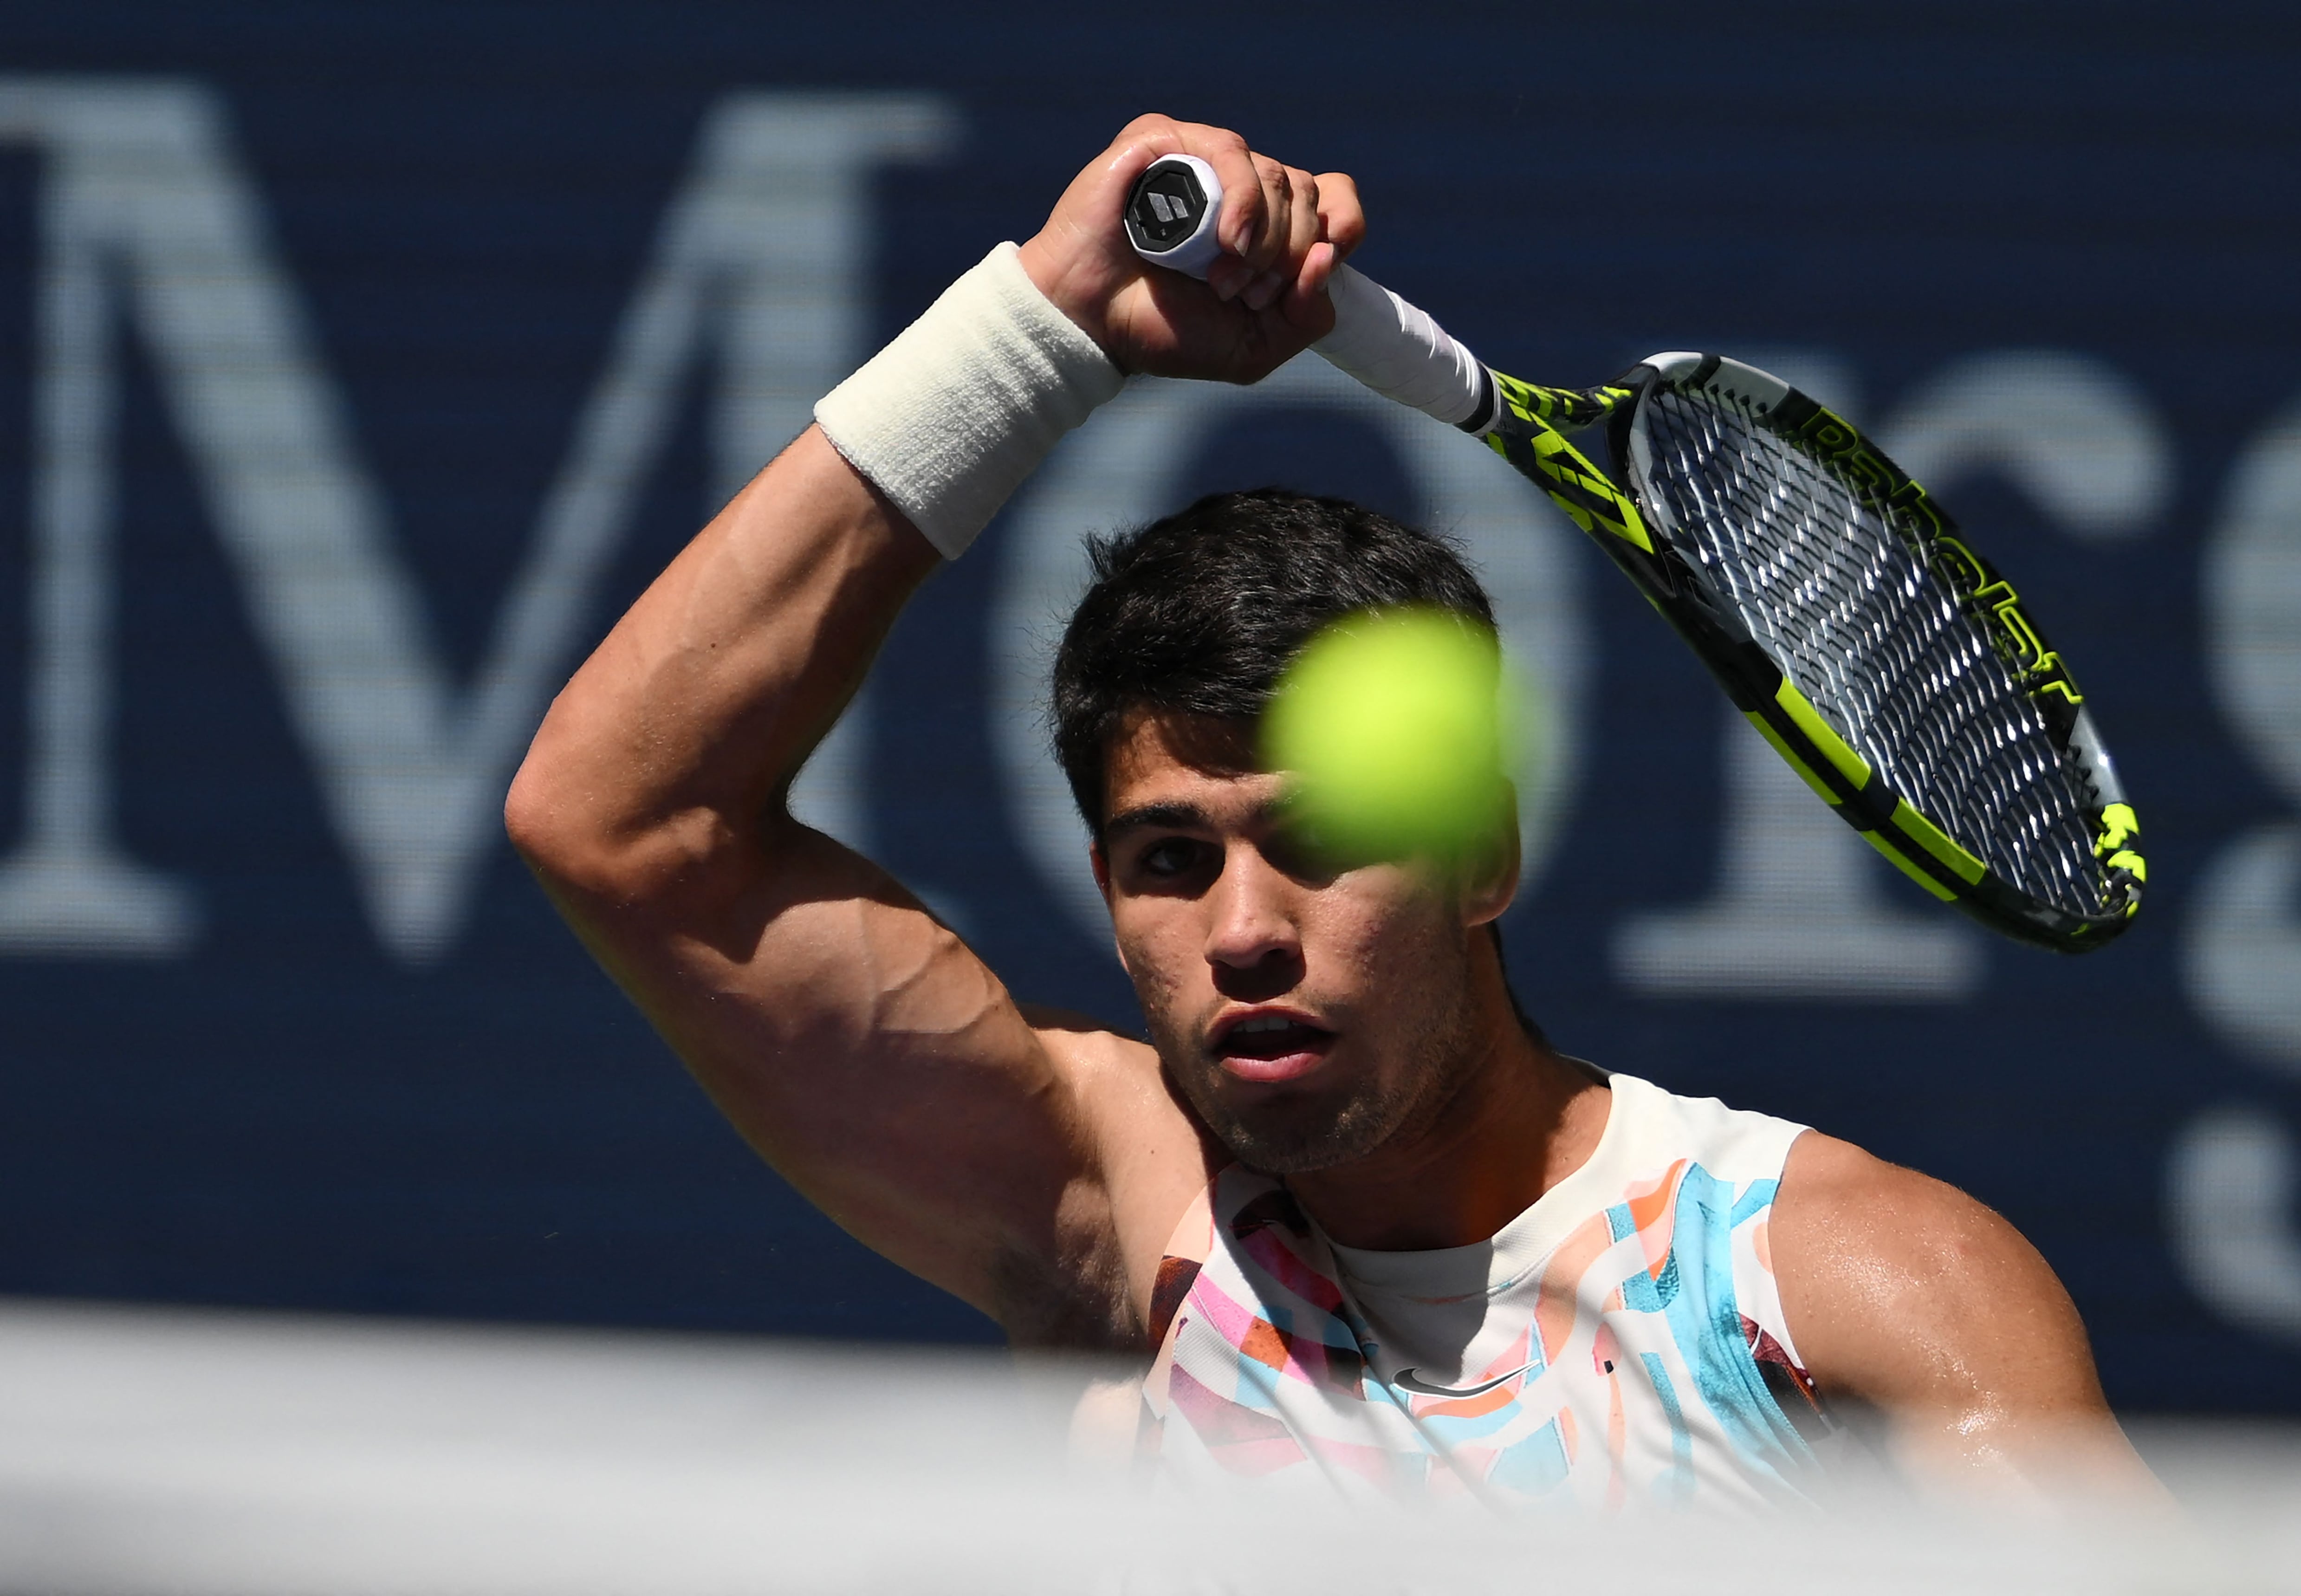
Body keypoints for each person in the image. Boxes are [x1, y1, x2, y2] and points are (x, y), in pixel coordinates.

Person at [504, 114, 2158, 1512]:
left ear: (1486, 857)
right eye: (1172, 860)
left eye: (1318, 841)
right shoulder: (1122, 1213)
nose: (1241, 933)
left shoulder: (1850, 1290)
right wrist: (1044, 322)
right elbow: (625, 825)